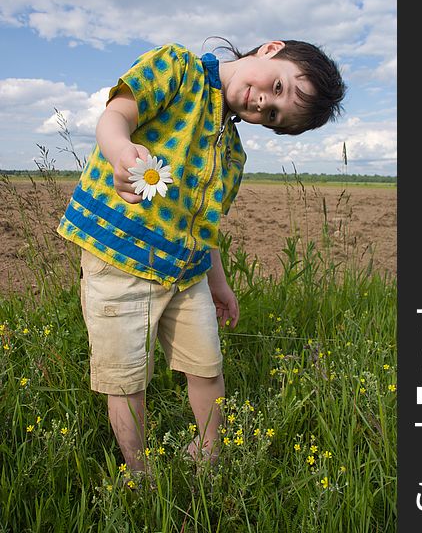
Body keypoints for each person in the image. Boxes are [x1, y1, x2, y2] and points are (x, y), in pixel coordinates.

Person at [57, 38, 346, 473]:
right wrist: (120, 151)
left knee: (207, 367)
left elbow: (203, 227)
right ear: (271, 49)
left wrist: (219, 283)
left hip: (187, 273)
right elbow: (116, 114)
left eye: (273, 116)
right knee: (127, 378)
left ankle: (210, 456)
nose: (265, 103)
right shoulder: (177, 68)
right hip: (118, 257)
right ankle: (141, 474)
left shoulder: (231, 154)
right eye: (279, 87)